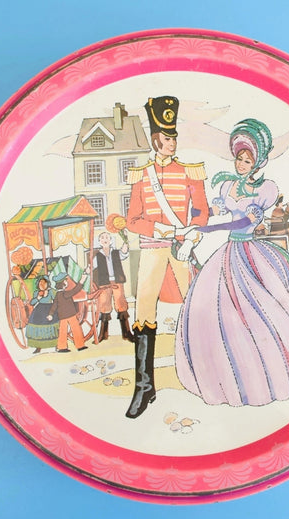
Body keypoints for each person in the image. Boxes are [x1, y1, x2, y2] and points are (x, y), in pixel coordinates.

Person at [175, 118, 289, 407]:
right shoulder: (227, 186)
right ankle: (220, 378)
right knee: (214, 309)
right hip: (227, 252)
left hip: (249, 252)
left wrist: (206, 229)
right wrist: (193, 216)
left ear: (257, 163)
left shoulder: (264, 191)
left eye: (247, 160)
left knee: (257, 309)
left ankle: (262, 378)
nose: (241, 164)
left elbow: (240, 223)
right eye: (239, 158)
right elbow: (212, 210)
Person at [124, 95, 209, 418]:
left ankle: (205, 377)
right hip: (152, 247)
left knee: (195, 306)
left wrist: (194, 234)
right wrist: (157, 228)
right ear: (155, 139)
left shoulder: (190, 172)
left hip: (180, 248)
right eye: (166, 138)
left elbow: (201, 212)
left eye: (174, 137)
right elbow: (132, 220)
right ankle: (144, 387)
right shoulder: (141, 175)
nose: (171, 143)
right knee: (144, 311)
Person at [92, 231, 133, 343]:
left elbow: (124, 252)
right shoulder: (98, 256)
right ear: (99, 241)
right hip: (104, 283)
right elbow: (91, 267)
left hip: (117, 281)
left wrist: (125, 241)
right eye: (102, 238)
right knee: (104, 305)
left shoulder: (115, 252)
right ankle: (103, 334)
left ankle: (126, 333)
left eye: (107, 237)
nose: (105, 239)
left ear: (110, 241)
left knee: (121, 304)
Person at [47, 270, 88, 353]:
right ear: (62, 283)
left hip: (62, 316)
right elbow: (75, 290)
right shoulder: (64, 294)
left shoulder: (57, 295)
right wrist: (82, 280)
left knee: (63, 331)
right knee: (76, 329)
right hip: (70, 314)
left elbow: (54, 305)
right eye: (65, 281)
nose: (67, 282)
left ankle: (62, 347)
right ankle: (80, 345)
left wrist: (51, 314)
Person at [25, 276, 59, 354]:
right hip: (39, 310)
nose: (42, 285)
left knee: (52, 327)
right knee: (37, 326)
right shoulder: (36, 292)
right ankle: (38, 347)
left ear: (47, 283)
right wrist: (38, 298)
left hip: (49, 309)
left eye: (44, 283)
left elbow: (56, 301)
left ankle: (56, 345)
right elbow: (32, 303)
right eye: (40, 283)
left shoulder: (51, 291)